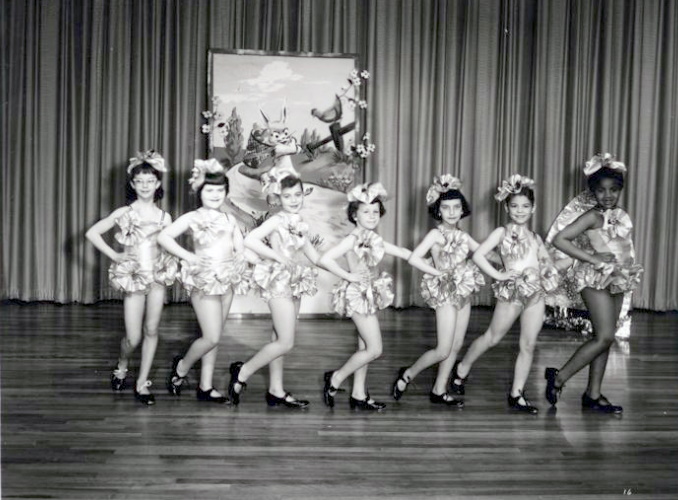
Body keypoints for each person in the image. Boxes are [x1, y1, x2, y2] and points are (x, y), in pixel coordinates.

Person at [319, 182, 442, 411]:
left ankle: (358, 394)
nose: (372, 215)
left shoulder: (374, 239)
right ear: (354, 215)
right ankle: (335, 378)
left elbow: (404, 253)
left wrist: (427, 263)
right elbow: (325, 259)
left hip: (369, 294)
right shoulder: (353, 239)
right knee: (375, 349)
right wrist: (349, 276)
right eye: (366, 211)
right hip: (357, 295)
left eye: (375, 211)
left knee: (364, 346)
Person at [450, 175, 559, 414]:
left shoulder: (536, 238)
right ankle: (461, 369)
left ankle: (516, 394)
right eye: (514, 206)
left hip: (535, 295)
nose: (520, 211)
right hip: (511, 294)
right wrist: (499, 275)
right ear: (506, 207)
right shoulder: (501, 232)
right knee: (493, 337)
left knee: (528, 345)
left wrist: (558, 269)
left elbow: (547, 265)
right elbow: (478, 255)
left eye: (525, 206)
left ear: (534, 208)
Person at [545, 154, 643, 413]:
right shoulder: (591, 216)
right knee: (605, 336)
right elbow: (560, 239)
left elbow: (621, 247)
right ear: (592, 192)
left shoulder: (621, 215)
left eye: (613, 190)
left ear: (620, 190)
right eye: (601, 191)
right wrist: (592, 257)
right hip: (593, 278)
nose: (608, 195)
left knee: (606, 338)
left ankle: (593, 395)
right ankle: (558, 377)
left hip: (617, 278)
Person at [86, 150, 177, 405]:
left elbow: (169, 246)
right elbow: (93, 233)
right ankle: (123, 363)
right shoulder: (124, 212)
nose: (145, 186)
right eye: (140, 181)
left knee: (152, 329)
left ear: (158, 184)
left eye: (150, 181)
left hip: (157, 278)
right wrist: (114, 256)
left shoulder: (164, 217)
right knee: (133, 337)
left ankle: (142, 383)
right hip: (134, 279)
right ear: (133, 184)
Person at [158, 158, 250, 404]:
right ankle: (181, 368)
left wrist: (249, 260)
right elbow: (164, 237)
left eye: (220, 190)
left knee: (215, 335)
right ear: (199, 191)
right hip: (204, 281)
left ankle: (206, 386)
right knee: (211, 336)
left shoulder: (230, 220)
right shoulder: (192, 217)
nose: (215, 194)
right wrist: (189, 256)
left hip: (226, 280)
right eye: (209, 190)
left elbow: (240, 249)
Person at [228, 165, 318, 409]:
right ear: (278, 198)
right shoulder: (277, 219)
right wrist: (278, 257)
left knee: (278, 336)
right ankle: (242, 372)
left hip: (295, 280)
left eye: (297, 195)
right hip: (278, 280)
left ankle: (275, 390)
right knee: (286, 341)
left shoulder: (300, 221)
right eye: (287, 196)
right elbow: (250, 240)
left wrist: (346, 273)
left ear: (303, 194)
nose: (293, 200)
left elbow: (315, 257)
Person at [391, 175, 485, 407]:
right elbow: (414, 258)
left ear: (462, 209)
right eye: (446, 207)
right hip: (444, 293)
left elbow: (484, 253)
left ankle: (439, 389)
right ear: (438, 210)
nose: (452, 212)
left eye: (456, 207)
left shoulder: (463, 235)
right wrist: (437, 273)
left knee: (455, 345)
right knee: (443, 349)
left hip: (463, 292)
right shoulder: (436, 234)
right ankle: (408, 374)